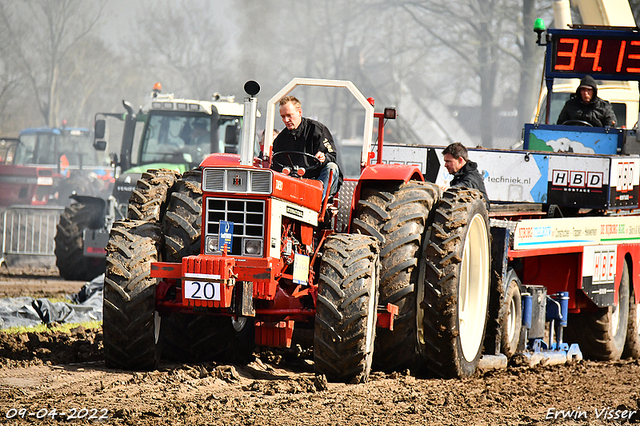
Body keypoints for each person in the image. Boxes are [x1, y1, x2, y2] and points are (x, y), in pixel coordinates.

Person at [272, 96, 342, 200]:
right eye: (283, 117)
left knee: (332, 167)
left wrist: (324, 157)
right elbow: (277, 164)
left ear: (299, 112)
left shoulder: (317, 130)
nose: (286, 120)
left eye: (289, 115)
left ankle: (317, 202)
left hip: (316, 179)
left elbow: (331, 155)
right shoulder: (281, 139)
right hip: (292, 181)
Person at [442, 142, 489, 210]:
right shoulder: (458, 177)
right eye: (445, 162)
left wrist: (451, 189)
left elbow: (467, 184)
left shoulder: (473, 175)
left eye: (448, 161)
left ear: (460, 160)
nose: (445, 165)